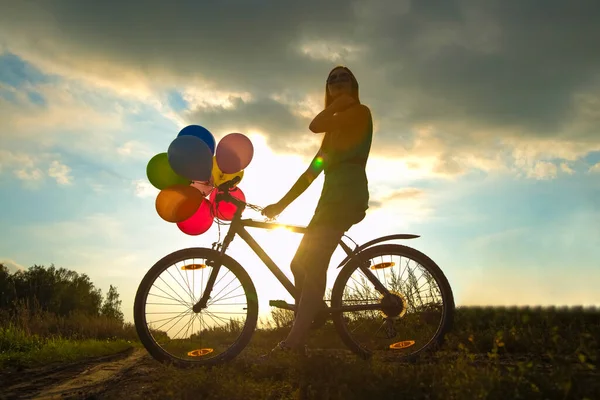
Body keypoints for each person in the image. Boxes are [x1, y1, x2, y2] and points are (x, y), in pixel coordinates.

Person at [261, 65, 373, 354]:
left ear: (354, 84)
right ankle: (314, 313)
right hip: (328, 201)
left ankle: (295, 341)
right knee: (298, 264)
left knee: (314, 266)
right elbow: (311, 173)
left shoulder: (360, 114)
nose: (337, 81)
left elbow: (314, 124)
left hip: (346, 195)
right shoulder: (332, 135)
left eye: (343, 77)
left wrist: (338, 103)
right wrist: (280, 205)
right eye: (331, 79)